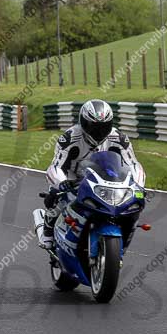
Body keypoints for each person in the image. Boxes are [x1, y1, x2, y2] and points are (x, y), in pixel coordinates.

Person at [37, 99, 146, 250]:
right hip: (72, 177)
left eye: (104, 127)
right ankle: (47, 232)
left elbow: (133, 164)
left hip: (104, 177)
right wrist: (61, 182)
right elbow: (56, 166)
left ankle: (123, 235)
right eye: (93, 127)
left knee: (130, 205)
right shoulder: (69, 138)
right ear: (83, 123)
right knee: (57, 199)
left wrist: (139, 185)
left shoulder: (119, 138)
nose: (99, 132)